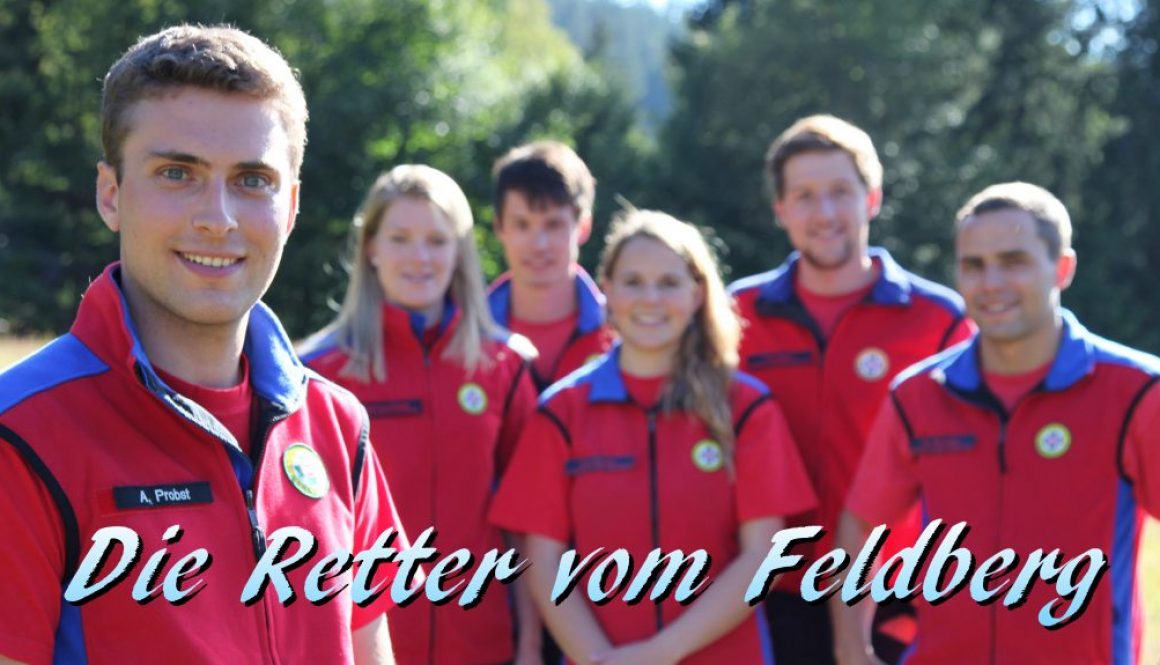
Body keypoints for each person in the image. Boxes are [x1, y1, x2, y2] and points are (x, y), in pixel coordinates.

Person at [0, 25, 405, 664]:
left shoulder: (337, 427)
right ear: (111, 193)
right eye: (177, 173)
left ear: (291, 205)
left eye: (252, 180)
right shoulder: (20, 435)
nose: (217, 217)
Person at [833, 182, 1160, 664]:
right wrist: (851, 651)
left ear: (1063, 269)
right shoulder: (918, 394)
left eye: (1013, 261)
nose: (991, 283)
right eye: (974, 265)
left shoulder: (1135, 391)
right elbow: (861, 526)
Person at [491, 209, 817, 665]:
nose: (651, 298)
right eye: (633, 282)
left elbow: (763, 555)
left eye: (668, 282)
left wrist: (661, 653)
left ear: (697, 293)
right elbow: (543, 561)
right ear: (607, 290)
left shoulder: (747, 408)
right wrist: (600, 659)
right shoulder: (561, 412)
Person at [729, 114, 974, 664]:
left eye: (841, 192)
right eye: (805, 196)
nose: (825, 213)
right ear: (781, 210)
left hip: (895, 596)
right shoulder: (734, 315)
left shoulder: (940, 319)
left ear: (873, 197)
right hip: (767, 594)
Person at [299, 164, 540, 665]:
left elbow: (527, 524)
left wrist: (531, 647)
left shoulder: (507, 367)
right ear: (371, 248)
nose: (420, 257)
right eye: (401, 238)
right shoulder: (315, 375)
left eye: (436, 239)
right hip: (363, 647)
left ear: (459, 252)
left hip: (485, 644)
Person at [488, 141, 616, 391]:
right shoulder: (462, 335)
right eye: (522, 224)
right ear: (499, 227)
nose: (538, 244)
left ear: (583, 226)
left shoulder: (623, 334)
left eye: (553, 224)